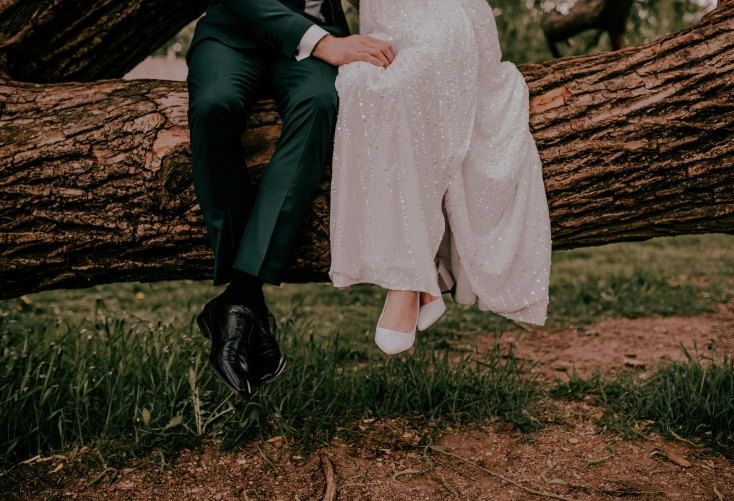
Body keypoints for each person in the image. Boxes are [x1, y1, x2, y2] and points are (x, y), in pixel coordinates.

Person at [185, 0, 394, 397]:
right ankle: (247, 304)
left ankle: (239, 299)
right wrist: (322, 43)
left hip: (317, 36)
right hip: (233, 30)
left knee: (320, 104)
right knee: (214, 106)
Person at [328, 0, 553, 355]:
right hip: (384, 18)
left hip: (441, 14)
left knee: (406, 80)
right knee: (360, 84)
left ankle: (407, 281)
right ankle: (424, 265)